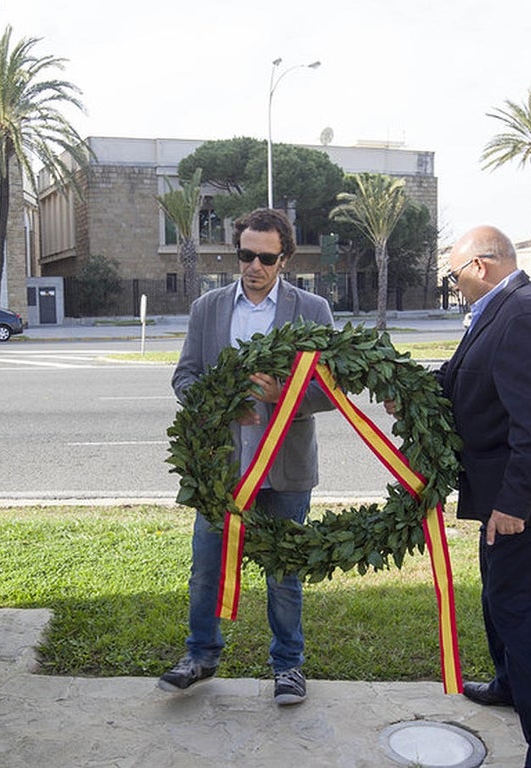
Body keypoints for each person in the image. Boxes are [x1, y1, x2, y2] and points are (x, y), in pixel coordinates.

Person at [394, 225, 531, 767]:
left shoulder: (524, 317)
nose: (453, 284)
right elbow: (469, 378)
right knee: (501, 605)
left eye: (453, 275)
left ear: (480, 266)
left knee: (527, 627)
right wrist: (414, 394)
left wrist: (513, 507)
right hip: (513, 497)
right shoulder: (500, 308)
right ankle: (512, 685)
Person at [158, 208, 335, 706]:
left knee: (283, 574)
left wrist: (285, 396)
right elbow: (185, 377)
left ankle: (288, 667)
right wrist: (220, 406)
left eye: (265, 257)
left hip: (287, 470)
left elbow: (331, 389)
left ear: (285, 258)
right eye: (245, 254)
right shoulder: (208, 308)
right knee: (206, 569)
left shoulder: (312, 310)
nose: (253, 265)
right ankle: (200, 655)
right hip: (221, 471)